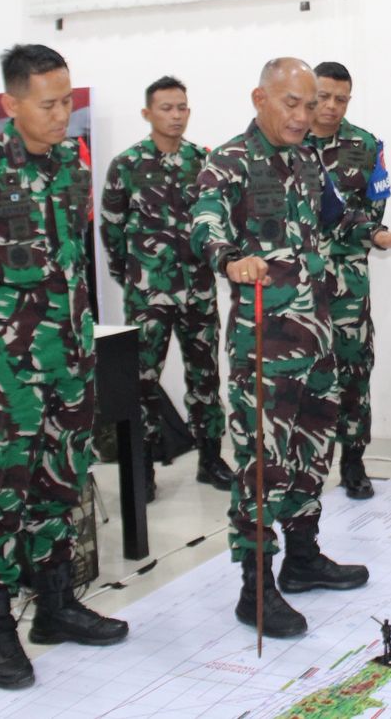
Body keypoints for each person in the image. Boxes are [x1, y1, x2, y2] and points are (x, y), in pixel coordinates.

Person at [190, 57, 391, 638]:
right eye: (292, 103)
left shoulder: (305, 160)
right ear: (260, 99)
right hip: (266, 344)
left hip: (318, 336)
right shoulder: (229, 161)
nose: (305, 115)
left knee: (312, 450)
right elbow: (204, 223)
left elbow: (334, 218)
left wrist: (376, 234)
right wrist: (229, 259)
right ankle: (255, 589)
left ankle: (302, 558)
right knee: (263, 462)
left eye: (312, 104)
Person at [0, 45, 127, 690]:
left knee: (60, 483)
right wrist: (1, 321)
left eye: (67, 101)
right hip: (8, 373)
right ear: (11, 104)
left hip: (70, 360)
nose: (62, 114)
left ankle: (55, 605)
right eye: (48, 104)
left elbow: (74, 259)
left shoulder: (72, 165)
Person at [100, 76, 233, 502]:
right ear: (147, 113)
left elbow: (219, 220)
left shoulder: (203, 162)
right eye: (166, 108)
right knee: (141, 381)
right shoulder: (127, 165)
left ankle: (210, 459)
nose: (176, 116)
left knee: (205, 377)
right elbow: (111, 227)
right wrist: (131, 276)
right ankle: (143, 469)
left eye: (182, 108)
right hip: (149, 294)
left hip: (198, 290)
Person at [306, 62, 391, 499]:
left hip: (348, 280)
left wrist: (347, 236)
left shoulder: (365, 145)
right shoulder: (287, 142)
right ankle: (302, 465)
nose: (331, 106)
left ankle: (353, 462)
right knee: (300, 372)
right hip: (295, 282)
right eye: (323, 96)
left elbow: (376, 209)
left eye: (341, 99)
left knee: (354, 369)